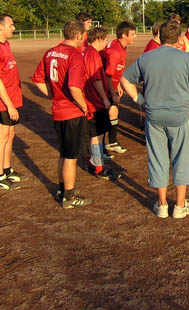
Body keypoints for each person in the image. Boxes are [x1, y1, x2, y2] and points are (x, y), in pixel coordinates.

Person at [120, 20, 189, 219]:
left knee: (158, 158)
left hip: (153, 116)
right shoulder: (186, 58)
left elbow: (125, 79)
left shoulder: (146, 58)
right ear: (180, 38)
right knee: (182, 158)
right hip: (181, 117)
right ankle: (180, 206)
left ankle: (162, 205)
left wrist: (140, 100)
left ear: (159, 36)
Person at [32, 20, 92, 208]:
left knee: (64, 154)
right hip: (71, 113)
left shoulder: (50, 52)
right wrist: (84, 106)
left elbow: (37, 80)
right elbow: (74, 87)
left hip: (58, 110)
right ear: (78, 36)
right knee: (71, 157)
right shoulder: (74, 55)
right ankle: (69, 196)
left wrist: (53, 95)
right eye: (83, 35)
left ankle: (62, 188)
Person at [0, 13, 26, 190]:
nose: (13, 28)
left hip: (13, 98)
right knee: (1, 137)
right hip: (1, 102)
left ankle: (7, 169)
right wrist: (9, 105)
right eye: (11, 25)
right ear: (0, 27)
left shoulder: (5, 44)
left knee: (10, 135)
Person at [83, 27, 119, 180]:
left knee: (97, 134)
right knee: (97, 135)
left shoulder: (86, 51)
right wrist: (105, 98)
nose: (107, 42)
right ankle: (98, 167)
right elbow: (96, 79)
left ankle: (94, 161)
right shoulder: (92, 54)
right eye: (105, 39)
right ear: (98, 39)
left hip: (90, 99)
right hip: (95, 101)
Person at [102, 20, 137, 154]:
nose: (135, 37)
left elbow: (117, 69)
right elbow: (108, 75)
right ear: (123, 35)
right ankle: (107, 144)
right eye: (132, 34)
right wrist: (112, 92)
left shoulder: (120, 46)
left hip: (111, 85)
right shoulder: (115, 51)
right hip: (106, 87)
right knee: (108, 113)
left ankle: (111, 142)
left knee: (112, 112)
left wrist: (119, 85)